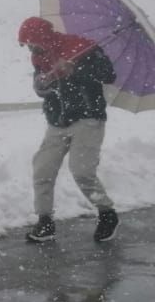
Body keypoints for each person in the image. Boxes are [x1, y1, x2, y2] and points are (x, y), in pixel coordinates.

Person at [17, 16, 119, 243]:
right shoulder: (39, 58)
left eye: (32, 43)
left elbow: (108, 74)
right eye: (27, 45)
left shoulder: (83, 48)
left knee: (81, 170)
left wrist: (75, 69)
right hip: (57, 121)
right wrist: (42, 84)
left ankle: (107, 214)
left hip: (87, 118)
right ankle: (45, 222)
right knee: (42, 170)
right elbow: (41, 88)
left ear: (43, 38)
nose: (31, 49)